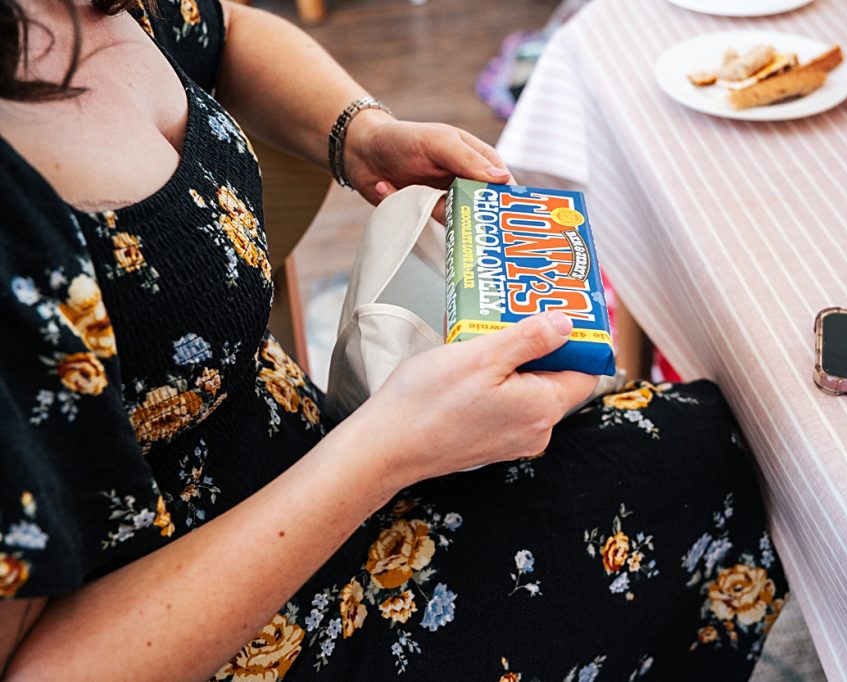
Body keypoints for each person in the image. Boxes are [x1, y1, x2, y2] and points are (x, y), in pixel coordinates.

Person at [0, 1, 788, 680]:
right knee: (728, 463)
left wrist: (360, 134)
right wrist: (386, 452)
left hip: (315, 460)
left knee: (706, 443)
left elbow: (228, 29)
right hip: (236, 623)